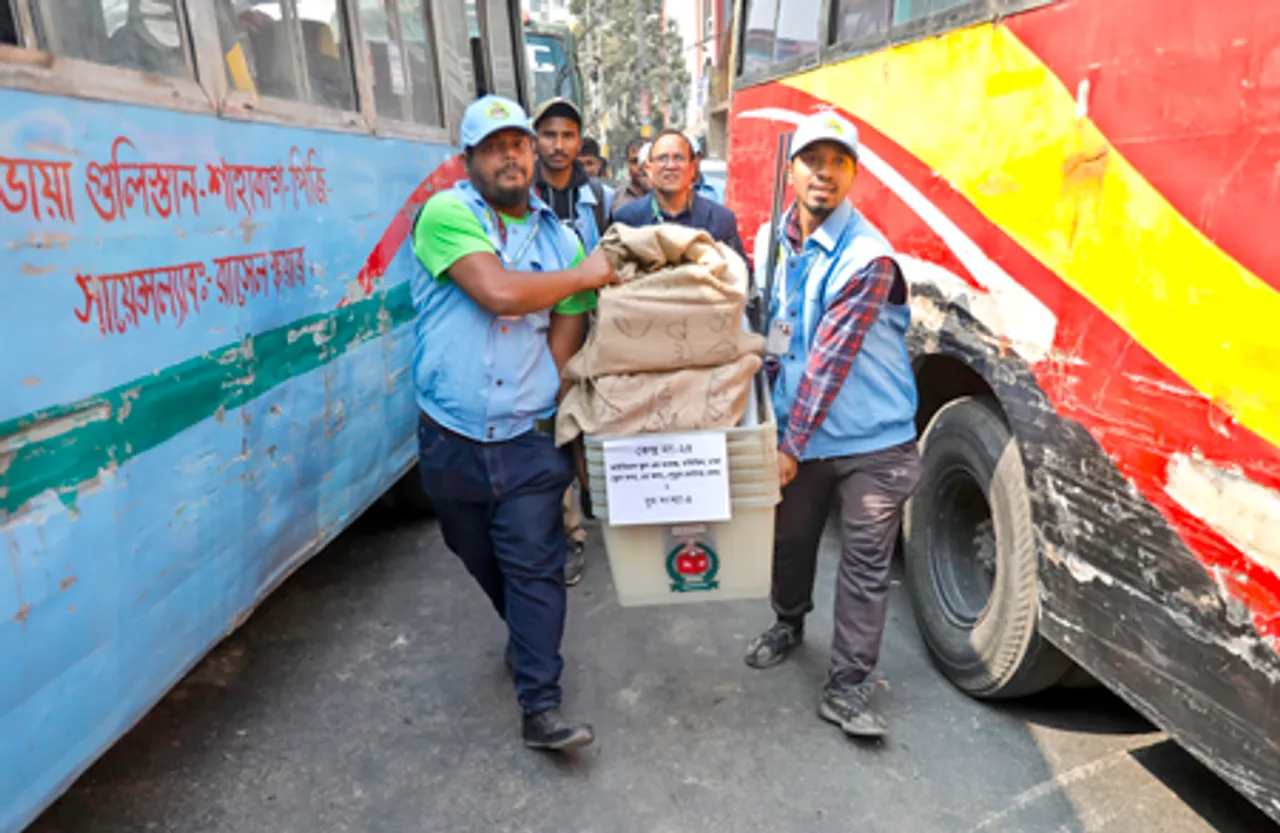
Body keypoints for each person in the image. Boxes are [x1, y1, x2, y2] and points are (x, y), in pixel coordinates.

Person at [410, 94, 617, 751]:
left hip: (528, 443)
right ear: (468, 159)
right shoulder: (446, 214)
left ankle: (541, 704)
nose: (512, 156)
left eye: (520, 144)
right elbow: (497, 291)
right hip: (451, 439)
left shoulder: (561, 238)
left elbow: (567, 324)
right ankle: (524, 633)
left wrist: (543, 398)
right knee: (473, 549)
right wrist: (577, 274)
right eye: (495, 146)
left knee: (536, 567)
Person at [742, 111, 921, 739]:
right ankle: (789, 622)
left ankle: (847, 686)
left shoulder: (867, 257)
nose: (824, 173)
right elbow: (765, 331)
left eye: (838, 162)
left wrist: (788, 444)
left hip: (873, 440)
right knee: (789, 542)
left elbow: (829, 363)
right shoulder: (768, 239)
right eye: (813, 160)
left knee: (865, 564)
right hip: (800, 430)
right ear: (791, 169)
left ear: (853, 175)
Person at [529, 96, 613, 587]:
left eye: (567, 136)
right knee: (552, 426)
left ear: (578, 141)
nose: (558, 146)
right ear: (536, 140)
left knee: (588, 421)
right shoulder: (521, 196)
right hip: (540, 332)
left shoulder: (600, 198)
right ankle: (570, 535)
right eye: (549, 135)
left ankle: (591, 490)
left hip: (595, 332)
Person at [610, 129, 748, 267]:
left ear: (693, 167)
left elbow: (740, 276)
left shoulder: (720, 220)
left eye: (679, 158)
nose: (671, 166)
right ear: (648, 167)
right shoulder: (628, 219)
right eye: (662, 158)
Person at [611, 137, 650, 212]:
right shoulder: (616, 196)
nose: (640, 167)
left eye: (645, 161)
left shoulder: (664, 195)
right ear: (628, 164)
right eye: (634, 161)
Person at [692, 138, 724, 204]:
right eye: (682, 158)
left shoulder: (721, 188)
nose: (688, 162)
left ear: (700, 157)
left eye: (692, 157)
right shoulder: (669, 192)